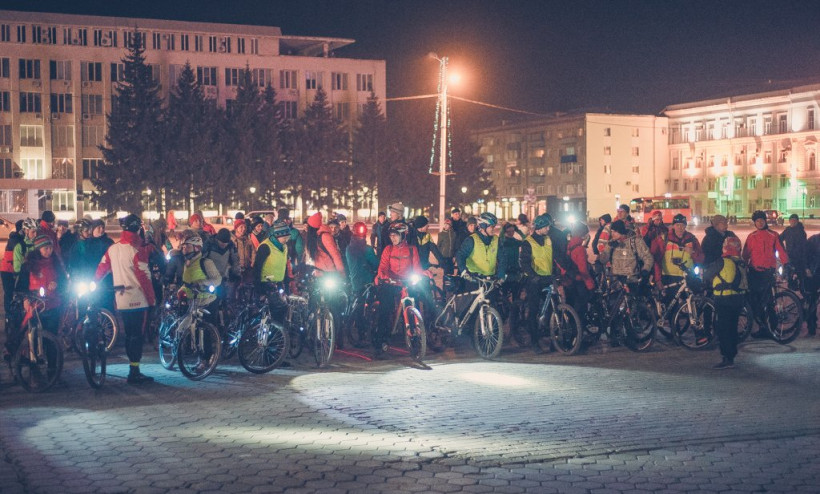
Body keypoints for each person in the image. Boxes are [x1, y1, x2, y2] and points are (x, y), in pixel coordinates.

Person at [95, 214, 156, 384]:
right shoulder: (137, 250)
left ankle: (133, 369)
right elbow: (144, 277)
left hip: (121, 299)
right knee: (137, 335)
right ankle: (134, 371)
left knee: (129, 334)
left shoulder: (113, 249)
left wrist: (93, 284)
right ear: (138, 229)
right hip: (138, 299)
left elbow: (101, 269)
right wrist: (152, 300)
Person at [7, 235, 69, 364]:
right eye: (46, 248)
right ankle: (33, 364)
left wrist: (57, 284)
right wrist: (25, 298)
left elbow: (64, 282)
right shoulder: (28, 265)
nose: (49, 251)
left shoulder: (56, 263)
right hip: (35, 306)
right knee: (33, 337)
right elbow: (21, 286)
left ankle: (52, 366)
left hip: (53, 305)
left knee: (52, 337)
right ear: (38, 249)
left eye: (50, 248)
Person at [374, 223, 422, 358]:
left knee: (418, 302)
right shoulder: (388, 249)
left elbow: (417, 267)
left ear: (403, 236)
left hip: (407, 283)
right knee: (385, 309)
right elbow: (383, 267)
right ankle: (381, 342)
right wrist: (384, 276)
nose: (393, 238)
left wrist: (423, 274)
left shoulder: (412, 250)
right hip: (392, 282)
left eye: (395, 235)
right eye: (391, 236)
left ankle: (420, 334)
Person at [743, 210, 789, 338]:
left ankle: (771, 327)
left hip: (768, 272)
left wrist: (786, 264)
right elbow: (745, 254)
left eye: (762, 220)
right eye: (757, 221)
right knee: (755, 301)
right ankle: (762, 326)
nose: (760, 223)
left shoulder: (773, 235)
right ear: (754, 223)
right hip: (754, 272)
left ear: (765, 221)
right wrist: (742, 266)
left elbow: (781, 251)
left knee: (768, 301)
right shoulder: (751, 236)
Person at [703, 236, 748, 369]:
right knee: (733, 328)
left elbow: (707, 275)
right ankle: (732, 355)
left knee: (723, 329)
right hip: (738, 299)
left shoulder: (722, 261)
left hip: (724, 299)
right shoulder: (740, 261)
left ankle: (727, 358)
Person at [519, 214, 559, 353]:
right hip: (534, 281)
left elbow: (554, 257)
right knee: (534, 310)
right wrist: (533, 276)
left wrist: (559, 271)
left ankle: (553, 340)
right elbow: (524, 263)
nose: (548, 229)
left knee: (554, 308)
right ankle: (534, 342)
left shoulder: (548, 239)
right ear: (539, 228)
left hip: (547, 278)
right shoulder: (528, 242)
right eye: (546, 227)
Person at [252, 220, 293, 322]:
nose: (286, 240)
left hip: (278, 284)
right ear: (278, 235)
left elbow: (284, 265)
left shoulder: (284, 247)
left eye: (288, 237)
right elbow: (257, 268)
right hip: (266, 284)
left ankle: (276, 330)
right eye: (285, 237)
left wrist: (286, 283)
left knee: (282, 310)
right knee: (276, 311)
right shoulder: (265, 246)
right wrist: (259, 290)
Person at [599, 219, 654, 285]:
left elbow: (648, 257)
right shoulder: (611, 243)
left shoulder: (635, 242)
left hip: (632, 281)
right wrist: (608, 248)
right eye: (611, 231)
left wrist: (645, 269)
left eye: (615, 231)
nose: (612, 234)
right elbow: (603, 260)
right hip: (615, 281)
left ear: (621, 231)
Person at [456, 212, 505, 280]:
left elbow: (502, 258)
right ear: (483, 226)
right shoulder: (471, 240)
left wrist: (501, 275)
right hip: (473, 279)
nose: (493, 229)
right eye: (491, 227)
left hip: (491, 279)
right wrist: (464, 272)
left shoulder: (496, 240)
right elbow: (460, 255)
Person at [567, 222, 596, 325]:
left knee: (573, 306)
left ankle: (572, 328)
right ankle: (579, 329)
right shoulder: (580, 249)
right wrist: (591, 285)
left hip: (570, 280)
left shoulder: (569, 245)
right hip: (579, 281)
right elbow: (583, 270)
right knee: (581, 308)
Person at [1, 220, 27, 327]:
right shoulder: (15, 240)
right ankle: (9, 317)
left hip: (13, 270)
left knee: (16, 294)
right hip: (7, 271)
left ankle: (15, 316)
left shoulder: (18, 239)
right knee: (9, 294)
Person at [305, 212, 346, 276]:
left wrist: (341, 271)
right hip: (319, 272)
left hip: (329, 272)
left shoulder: (325, 236)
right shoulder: (314, 237)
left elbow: (335, 254)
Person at [206, 228, 241, 302]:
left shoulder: (231, 246)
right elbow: (201, 259)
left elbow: (235, 260)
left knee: (222, 298)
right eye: (222, 242)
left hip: (222, 278)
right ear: (217, 239)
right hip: (209, 278)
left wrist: (236, 273)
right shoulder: (209, 244)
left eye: (225, 243)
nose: (224, 245)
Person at [779, 213, 808, 292]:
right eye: (791, 220)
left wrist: (803, 255)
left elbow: (804, 245)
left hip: (799, 256)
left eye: (794, 220)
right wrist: (782, 249)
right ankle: (791, 285)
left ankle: (802, 287)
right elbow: (780, 239)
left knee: (799, 272)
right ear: (789, 221)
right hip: (789, 255)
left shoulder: (801, 231)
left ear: (797, 221)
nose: (793, 222)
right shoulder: (787, 230)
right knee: (789, 272)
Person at [232, 219, 255, 284]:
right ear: (236, 228)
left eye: (245, 227)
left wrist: (253, 262)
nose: (244, 229)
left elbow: (253, 251)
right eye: (241, 227)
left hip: (247, 268)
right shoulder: (232, 240)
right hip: (236, 269)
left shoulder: (248, 239)